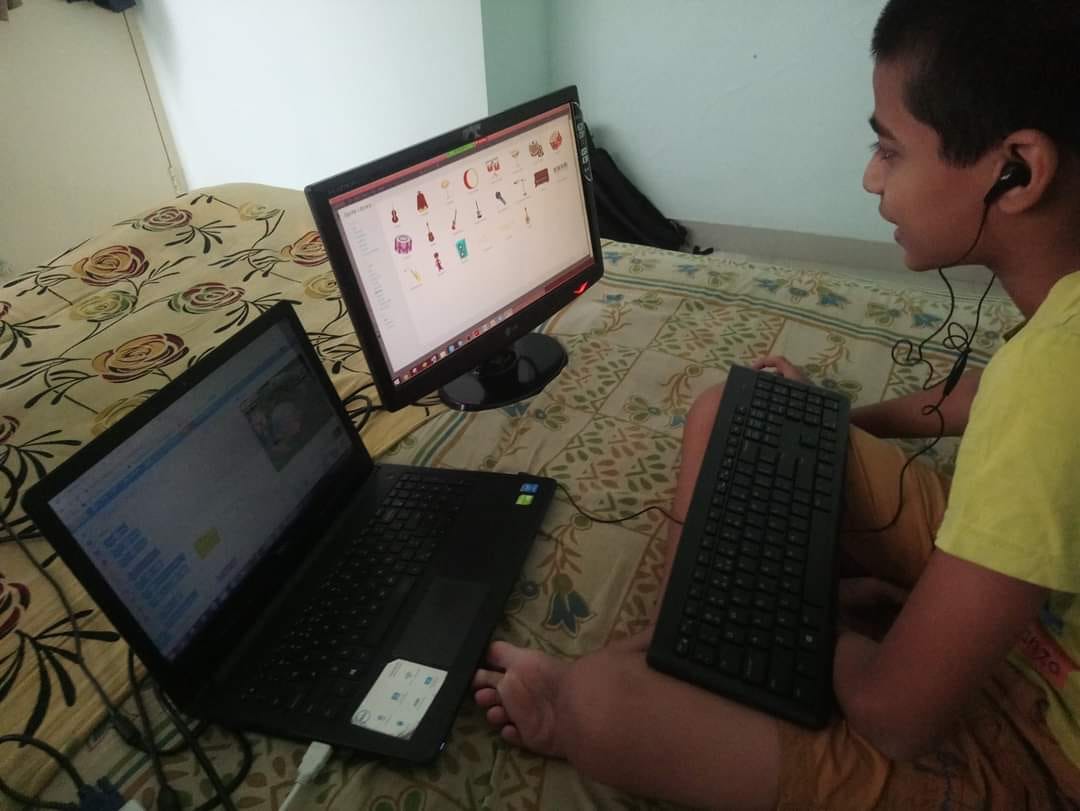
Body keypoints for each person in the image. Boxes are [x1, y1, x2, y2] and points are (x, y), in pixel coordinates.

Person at [471, 0, 1080, 807]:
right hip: (1024, 589)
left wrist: (816, 625)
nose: (871, 175)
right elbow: (986, 398)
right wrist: (829, 426)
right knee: (733, 409)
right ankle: (691, 635)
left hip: (1046, 732)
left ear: (1018, 172)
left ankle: (661, 671)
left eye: (889, 149)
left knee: (600, 704)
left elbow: (895, 716)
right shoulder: (1058, 315)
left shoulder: (1056, 382)